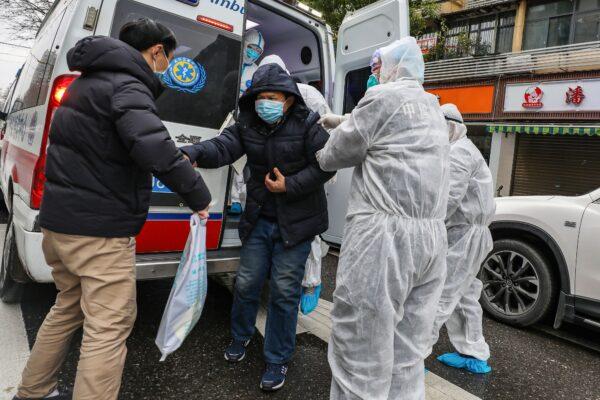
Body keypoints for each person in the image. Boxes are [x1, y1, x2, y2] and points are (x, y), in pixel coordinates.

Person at [14, 19, 211, 400]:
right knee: (108, 326)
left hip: (61, 225)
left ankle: (32, 391)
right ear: (156, 51)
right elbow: (156, 148)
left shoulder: (86, 83)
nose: (166, 67)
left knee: (67, 308)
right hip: (99, 232)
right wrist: (199, 197)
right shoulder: (128, 86)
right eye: (168, 59)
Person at [181, 63, 334, 391]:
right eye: (260, 97)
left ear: (289, 99)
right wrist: (192, 153)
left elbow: (326, 165)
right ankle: (241, 335)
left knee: (283, 291)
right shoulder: (248, 121)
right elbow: (222, 147)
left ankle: (278, 358)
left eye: (273, 97)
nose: (265, 103)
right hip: (260, 217)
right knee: (247, 282)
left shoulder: (308, 123)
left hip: (297, 223)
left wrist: (289, 186)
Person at [316, 37, 450, 400]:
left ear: (393, 68)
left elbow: (334, 155)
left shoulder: (381, 98)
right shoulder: (432, 107)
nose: (373, 76)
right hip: (431, 242)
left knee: (359, 349)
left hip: (383, 240)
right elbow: (392, 130)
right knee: (407, 353)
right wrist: (344, 118)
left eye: (376, 68)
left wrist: (328, 135)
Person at [258, 54, 331, 313]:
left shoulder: (309, 95)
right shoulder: (260, 96)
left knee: (306, 231)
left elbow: (326, 141)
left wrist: (301, 178)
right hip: (275, 173)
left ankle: (311, 283)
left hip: (306, 171)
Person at [429, 103, 495, 374]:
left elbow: (447, 201)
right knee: (465, 294)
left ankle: (409, 359)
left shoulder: (459, 153)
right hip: (466, 234)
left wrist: (426, 228)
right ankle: (474, 351)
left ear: (452, 127)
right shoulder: (459, 150)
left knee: (440, 295)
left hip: (464, 236)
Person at [229, 29, 266, 215]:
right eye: (251, 47)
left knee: (239, 161)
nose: (253, 53)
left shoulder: (256, 71)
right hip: (223, 117)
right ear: (244, 43)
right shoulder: (230, 59)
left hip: (243, 121)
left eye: (258, 51)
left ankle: (235, 200)